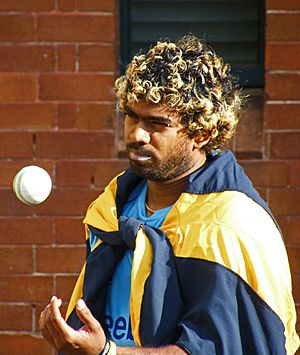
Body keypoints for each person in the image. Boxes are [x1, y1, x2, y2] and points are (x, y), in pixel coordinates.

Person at [39, 34, 300, 355]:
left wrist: (106, 352)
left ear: (201, 134)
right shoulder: (113, 207)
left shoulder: (229, 227)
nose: (136, 134)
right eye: (132, 115)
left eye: (156, 123)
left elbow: (214, 348)